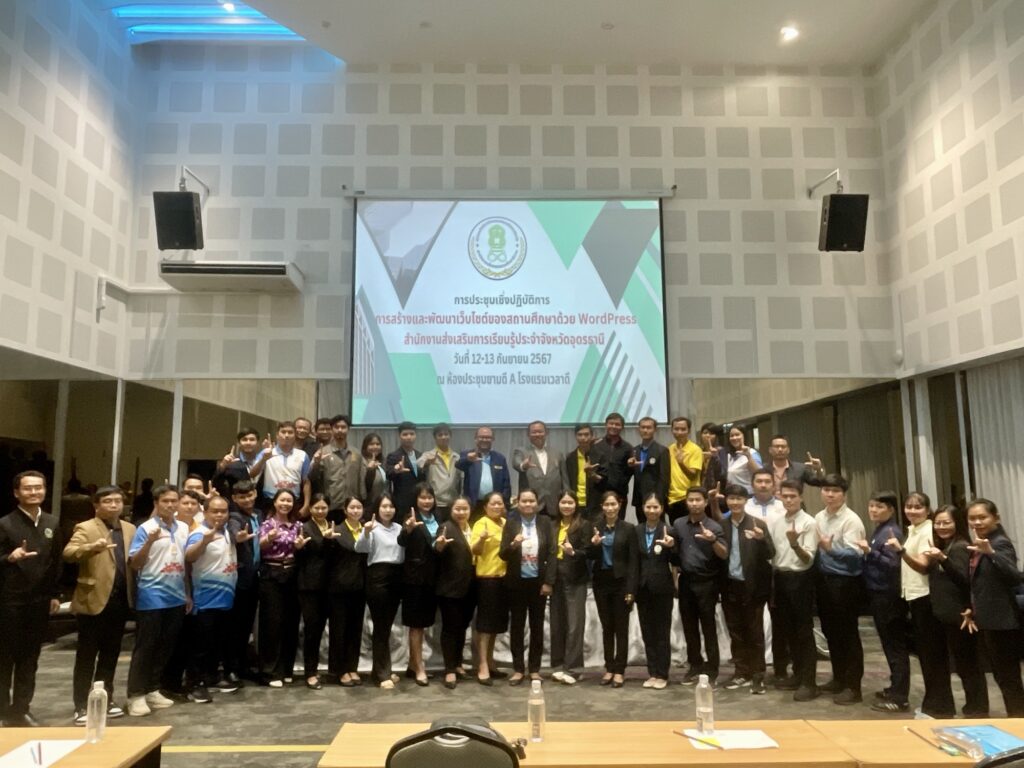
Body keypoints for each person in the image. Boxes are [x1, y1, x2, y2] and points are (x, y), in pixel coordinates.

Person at [64, 485, 135, 725]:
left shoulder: (129, 528)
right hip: (93, 598)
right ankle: (80, 704)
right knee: (86, 655)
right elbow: (69, 553)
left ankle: (105, 698)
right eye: (108, 501)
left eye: (118, 501)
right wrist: (90, 548)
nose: (114, 505)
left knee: (110, 653)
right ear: (96, 505)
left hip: (120, 600)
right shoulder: (86, 527)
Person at [0, 471, 62, 726]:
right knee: (4, 658)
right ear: (17, 493)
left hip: (39, 601)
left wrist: (55, 594)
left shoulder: (51, 522)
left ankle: (21, 709)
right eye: (28, 488)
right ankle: (2, 711)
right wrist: (9, 558)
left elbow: (56, 562)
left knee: (30, 658)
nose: (34, 492)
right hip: (9, 601)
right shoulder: (5, 523)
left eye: (39, 487)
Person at [884, 491, 955, 717]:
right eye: (909, 506)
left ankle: (939, 707)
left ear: (927, 510)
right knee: (925, 655)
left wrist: (901, 551)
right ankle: (934, 705)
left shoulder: (927, 530)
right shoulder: (913, 529)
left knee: (933, 656)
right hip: (914, 597)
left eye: (918, 507)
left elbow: (923, 566)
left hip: (927, 597)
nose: (912, 511)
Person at [126, 484, 189, 717]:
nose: (170, 505)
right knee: (146, 647)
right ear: (156, 503)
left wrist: (187, 593)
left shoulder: (183, 527)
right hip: (151, 595)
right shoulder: (146, 528)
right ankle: (135, 695)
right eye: (165, 501)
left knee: (165, 646)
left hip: (176, 596)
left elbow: (184, 563)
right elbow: (135, 564)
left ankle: (153, 688)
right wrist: (150, 542)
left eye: (174, 501)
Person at [922, 505, 988, 717]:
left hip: (960, 615)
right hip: (946, 615)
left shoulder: (959, 547)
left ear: (957, 523)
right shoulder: (945, 545)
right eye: (938, 523)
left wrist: (942, 559)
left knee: (968, 666)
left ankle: (977, 710)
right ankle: (972, 708)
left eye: (946, 522)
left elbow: (963, 580)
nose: (941, 527)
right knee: (961, 665)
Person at [965, 498, 1024, 717]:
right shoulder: (982, 542)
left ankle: (1019, 722)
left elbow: (1013, 576)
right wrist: (972, 608)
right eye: (972, 518)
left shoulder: (999, 543)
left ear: (995, 518)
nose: (977, 522)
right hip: (988, 619)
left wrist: (991, 553)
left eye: (982, 517)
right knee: (1002, 677)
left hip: (1003, 621)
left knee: (1009, 679)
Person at [814, 473, 865, 705]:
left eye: (835, 491)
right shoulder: (819, 517)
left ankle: (853, 687)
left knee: (848, 635)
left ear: (843, 494)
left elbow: (856, 554)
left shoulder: (851, 520)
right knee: (831, 632)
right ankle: (839, 678)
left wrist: (831, 549)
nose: (830, 494)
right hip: (824, 581)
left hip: (845, 583)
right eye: (826, 490)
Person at [720, 484, 774, 694]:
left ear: (745, 501)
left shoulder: (757, 523)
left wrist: (761, 540)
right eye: (731, 498)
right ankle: (741, 672)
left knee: (754, 632)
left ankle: (758, 674)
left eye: (739, 499)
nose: (735, 502)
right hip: (729, 585)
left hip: (753, 588)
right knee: (736, 632)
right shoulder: (721, 525)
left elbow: (771, 554)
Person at [767, 479, 818, 701]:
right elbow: (773, 553)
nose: (788, 500)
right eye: (785, 496)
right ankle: (797, 675)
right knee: (788, 631)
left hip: (800, 579)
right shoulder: (777, 522)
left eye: (793, 496)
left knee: (804, 631)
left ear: (801, 497)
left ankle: (809, 682)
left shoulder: (809, 522)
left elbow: (808, 559)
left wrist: (795, 544)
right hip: (780, 577)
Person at [183, 494, 237, 704]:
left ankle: (212, 677)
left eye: (223, 511)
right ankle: (194, 684)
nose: (219, 515)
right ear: (204, 512)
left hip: (225, 598)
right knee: (200, 645)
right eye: (215, 511)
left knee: (217, 642)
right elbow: (189, 557)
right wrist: (204, 542)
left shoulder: (227, 532)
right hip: (204, 598)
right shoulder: (199, 533)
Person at [672, 486, 727, 685]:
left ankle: (712, 668)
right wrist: (675, 579)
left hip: (707, 582)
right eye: (691, 500)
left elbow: (724, 554)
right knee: (689, 627)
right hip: (686, 581)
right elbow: (675, 555)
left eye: (698, 500)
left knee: (708, 627)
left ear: (705, 502)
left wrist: (713, 540)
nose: (694, 504)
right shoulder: (678, 524)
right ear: (686, 502)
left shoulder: (714, 526)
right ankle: (695, 665)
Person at [860, 490, 909, 713]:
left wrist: (870, 552)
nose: (873, 510)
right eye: (872, 505)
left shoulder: (891, 532)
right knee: (889, 645)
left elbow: (893, 565)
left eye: (879, 506)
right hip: (878, 593)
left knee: (895, 646)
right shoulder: (880, 529)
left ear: (891, 510)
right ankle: (895, 687)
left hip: (889, 596)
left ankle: (900, 697)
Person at [500, 488, 552, 685]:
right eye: (524, 501)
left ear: (537, 503)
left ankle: (535, 669)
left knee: (537, 627)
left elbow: (552, 553)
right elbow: (503, 554)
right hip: (516, 583)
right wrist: (514, 544)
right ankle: (518, 669)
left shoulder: (545, 522)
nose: (528, 504)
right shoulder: (511, 523)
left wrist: (548, 581)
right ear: (518, 503)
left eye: (532, 501)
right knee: (517, 627)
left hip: (538, 584)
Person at [587, 491, 637, 687]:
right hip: (601, 583)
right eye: (606, 505)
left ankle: (620, 670)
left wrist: (631, 590)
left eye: (613, 504)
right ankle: (609, 667)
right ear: (602, 507)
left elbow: (633, 562)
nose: (610, 508)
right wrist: (594, 545)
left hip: (621, 583)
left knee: (621, 628)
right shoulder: (595, 527)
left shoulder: (628, 529)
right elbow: (589, 555)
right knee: (607, 626)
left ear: (619, 505)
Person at [355, 494, 405, 689]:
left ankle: (380, 670)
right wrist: (366, 532)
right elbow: (360, 548)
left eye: (391, 506)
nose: (388, 510)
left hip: (396, 576)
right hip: (378, 577)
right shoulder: (372, 527)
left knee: (386, 626)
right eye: (384, 506)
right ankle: (382, 673)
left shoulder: (399, 528)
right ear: (377, 508)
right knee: (381, 625)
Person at [257, 489, 302, 688]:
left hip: (292, 574)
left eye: (289, 501)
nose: (285, 504)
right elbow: (259, 547)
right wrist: (269, 538)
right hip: (271, 574)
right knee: (272, 623)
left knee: (290, 623)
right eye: (282, 500)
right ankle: (269, 672)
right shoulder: (267, 524)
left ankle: (286, 669)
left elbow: (299, 549)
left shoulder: (298, 526)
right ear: (275, 502)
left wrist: (299, 547)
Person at [398, 484, 440, 686]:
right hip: (414, 580)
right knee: (416, 626)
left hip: (432, 579)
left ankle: (412, 665)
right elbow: (402, 541)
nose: (426, 501)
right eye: (422, 497)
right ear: (415, 499)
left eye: (429, 497)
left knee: (423, 624)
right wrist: (408, 529)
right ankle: (419, 667)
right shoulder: (410, 517)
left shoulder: (438, 518)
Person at [548, 491, 590, 685]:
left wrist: (574, 553)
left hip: (575, 579)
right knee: (557, 624)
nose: (566, 506)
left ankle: (573, 669)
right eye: (563, 502)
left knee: (574, 625)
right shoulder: (552, 525)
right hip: (555, 578)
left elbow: (589, 552)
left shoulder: (584, 525)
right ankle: (558, 666)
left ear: (576, 505)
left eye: (570, 502)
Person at [634, 493, 675, 690]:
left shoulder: (669, 530)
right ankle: (652, 672)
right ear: (643, 508)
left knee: (662, 632)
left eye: (655, 507)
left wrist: (671, 547)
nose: (652, 510)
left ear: (662, 509)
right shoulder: (637, 530)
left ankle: (663, 673)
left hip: (662, 588)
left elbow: (677, 560)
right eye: (648, 507)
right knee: (647, 632)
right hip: (642, 589)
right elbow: (633, 562)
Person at [434, 496, 476, 689]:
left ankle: (458, 663)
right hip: (450, 587)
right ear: (451, 510)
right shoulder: (445, 527)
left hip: (471, 586)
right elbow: (437, 550)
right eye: (457, 509)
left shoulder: (473, 528)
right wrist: (439, 546)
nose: (461, 512)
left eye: (465, 509)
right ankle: (449, 669)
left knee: (462, 626)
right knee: (450, 628)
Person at [294, 494, 334, 689]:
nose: (320, 511)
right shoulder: (305, 527)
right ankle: (310, 672)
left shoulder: (332, 526)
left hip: (329, 585)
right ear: (310, 509)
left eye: (323, 507)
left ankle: (316, 669)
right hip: (309, 586)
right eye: (316, 508)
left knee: (320, 630)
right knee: (311, 630)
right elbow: (302, 556)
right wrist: (299, 548)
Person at [224, 480, 260, 689]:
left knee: (247, 626)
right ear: (234, 498)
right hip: (239, 578)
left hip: (256, 577)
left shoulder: (258, 515)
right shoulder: (235, 516)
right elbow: (234, 532)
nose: (246, 500)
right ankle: (231, 668)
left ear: (255, 494)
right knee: (234, 626)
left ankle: (243, 665)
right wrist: (237, 537)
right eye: (241, 497)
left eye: (249, 495)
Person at [329, 496, 368, 687]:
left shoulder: (367, 529)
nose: (355, 511)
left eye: (359, 507)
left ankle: (352, 667)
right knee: (339, 630)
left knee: (355, 629)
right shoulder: (336, 529)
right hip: (339, 587)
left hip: (360, 586)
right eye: (352, 507)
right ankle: (339, 670)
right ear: (345, 510)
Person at [470, 491, 508, 685]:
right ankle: (482, 664)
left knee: (495, 625)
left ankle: (491, 661)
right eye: (493, 504)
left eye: (499, 503)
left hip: (504, 579)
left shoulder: (506, 523)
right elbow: (474, 550)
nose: (496, 507)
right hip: (487, 578)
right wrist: (482, 539)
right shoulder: (481, 523)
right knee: (485, 626)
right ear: (485, 507)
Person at [251, 422, 312, 518]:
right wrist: (264, 459)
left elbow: (306, 481)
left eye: (290, 432)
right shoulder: (266, 453)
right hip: (270, 501)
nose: (286, 435)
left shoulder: (302, 455)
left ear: (295, 435)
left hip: (293, 502)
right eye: (283, 432)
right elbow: (252, 474)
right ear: (277, 435)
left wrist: (306, 505)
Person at [513, 421, 568, 519]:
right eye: (534, 432)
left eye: (540, 431)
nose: (537, 434)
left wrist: (567, 497)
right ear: (528, 434)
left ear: (546, 433)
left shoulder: (557, 453)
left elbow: (565, 479)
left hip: (554, 504)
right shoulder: (521, 451)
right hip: (532, 505)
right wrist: (523, 465)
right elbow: (516, 464)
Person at [312, 415, 362, 523]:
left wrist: (361, 499)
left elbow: (361, 479)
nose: (340, 430)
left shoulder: (356, 453)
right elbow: (313, 478)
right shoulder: (323, 452)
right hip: (330, 506)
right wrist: (316, 463)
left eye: (343, 427)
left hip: (351, 505)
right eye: (336, 427)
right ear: (332, 429)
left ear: (348, 429)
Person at [458, 426, 512, 510]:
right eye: (481, 437)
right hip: (473, 504)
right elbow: (459, 465)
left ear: (493, 439)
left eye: (488, 437)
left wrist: (505, 502)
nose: (484, 440)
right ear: (475, 438)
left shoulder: (500, 458)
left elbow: (506, 483)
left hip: (494, 505)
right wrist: (468, 460)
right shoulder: (467, 454)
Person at [417, 424, 462, 522]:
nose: (443, 437)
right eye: (440, 435)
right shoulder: (428, 455)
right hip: (435, 502)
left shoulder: (456, 457)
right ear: (435, 438)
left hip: (452, 502)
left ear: (450, 436)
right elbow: (418, 465)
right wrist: (427, 462)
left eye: (446, 434)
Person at [589, 413, 634, 509]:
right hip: (598, 493)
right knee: (597, 518)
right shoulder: (596, 445)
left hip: (619, 493)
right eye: (611, 423)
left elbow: (628, 473)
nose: (614, 426)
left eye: (617, 424)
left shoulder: (628, 448)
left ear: (622, 427)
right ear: (606, 425)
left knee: (618, 519)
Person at [629, 417, 670, 521]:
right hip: (639, 498)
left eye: (648, 427)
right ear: (638, 429)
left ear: (655, 429)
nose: (645, 430)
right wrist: (629, 466)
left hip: (655, 499)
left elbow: (664, 479)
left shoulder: (662, 450)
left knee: (658, 527)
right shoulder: (634, 450)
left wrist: (659, 499)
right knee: (641, 526)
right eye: (643, 427)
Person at [666, 417, 703, 524]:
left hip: (689, 499)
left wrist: (681, 463)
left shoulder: (695, 449)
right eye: (676, 429)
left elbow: (693, 475)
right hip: (672, 499)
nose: (679, 432)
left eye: (683, 429)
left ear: (689, 430)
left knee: (691, 531)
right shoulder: (670, 449)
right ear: (672, 430)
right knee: (675, 530)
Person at [385, 422, 422, 515]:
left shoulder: (421, 455)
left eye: (412, 434)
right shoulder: (393, 456)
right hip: (401, 502)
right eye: (405, 434)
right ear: (400, 436)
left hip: (419, 501)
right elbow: (388, 474)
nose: (409, 437)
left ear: (416, 436)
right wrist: (396, 470)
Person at [213, 429, 263, 496]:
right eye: (244, 440)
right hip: (237, 500)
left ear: (258, 443)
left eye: (252, 439)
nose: (248, 443)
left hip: (262, 501)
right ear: (239, 443)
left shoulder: (264, 461)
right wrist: (223, 466)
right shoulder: (231, 462)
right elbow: (216, 485)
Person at [565, 425, 600, 520]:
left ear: (592, 436)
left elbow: (603, 480)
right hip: (576, 502)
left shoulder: (600, 455)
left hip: (595, 503)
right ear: (575, 436)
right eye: (580, 435)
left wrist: (591, 474)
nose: (583, 438)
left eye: (586, 434)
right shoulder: (570, 457)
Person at [725, 425, 762, 494]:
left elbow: (759, 474)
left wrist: (748, 456)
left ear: (744, 436)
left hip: (748, 494)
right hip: (733, 494)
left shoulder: (752, 453)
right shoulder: (730, 455)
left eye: (737, 435)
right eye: (732, 436)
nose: (734, 438)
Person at [360, 433, 388, 513]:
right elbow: (364, 485)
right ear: (365, 446)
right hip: (369, 504)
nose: (375, 447)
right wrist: (370, 470)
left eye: (378, 444)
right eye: (371, 444)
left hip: (384, 503)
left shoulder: (384, 461)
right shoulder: (361, 461)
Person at [698, 423, 727, 496]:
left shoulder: (720, 450)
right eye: (705, 433)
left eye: (711, 433)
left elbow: (723, 473)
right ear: (701, 435)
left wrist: (715, 457)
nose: (708, 435)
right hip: (700, 489)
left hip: (716, 489)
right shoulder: (698, 451)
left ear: (716, 436)